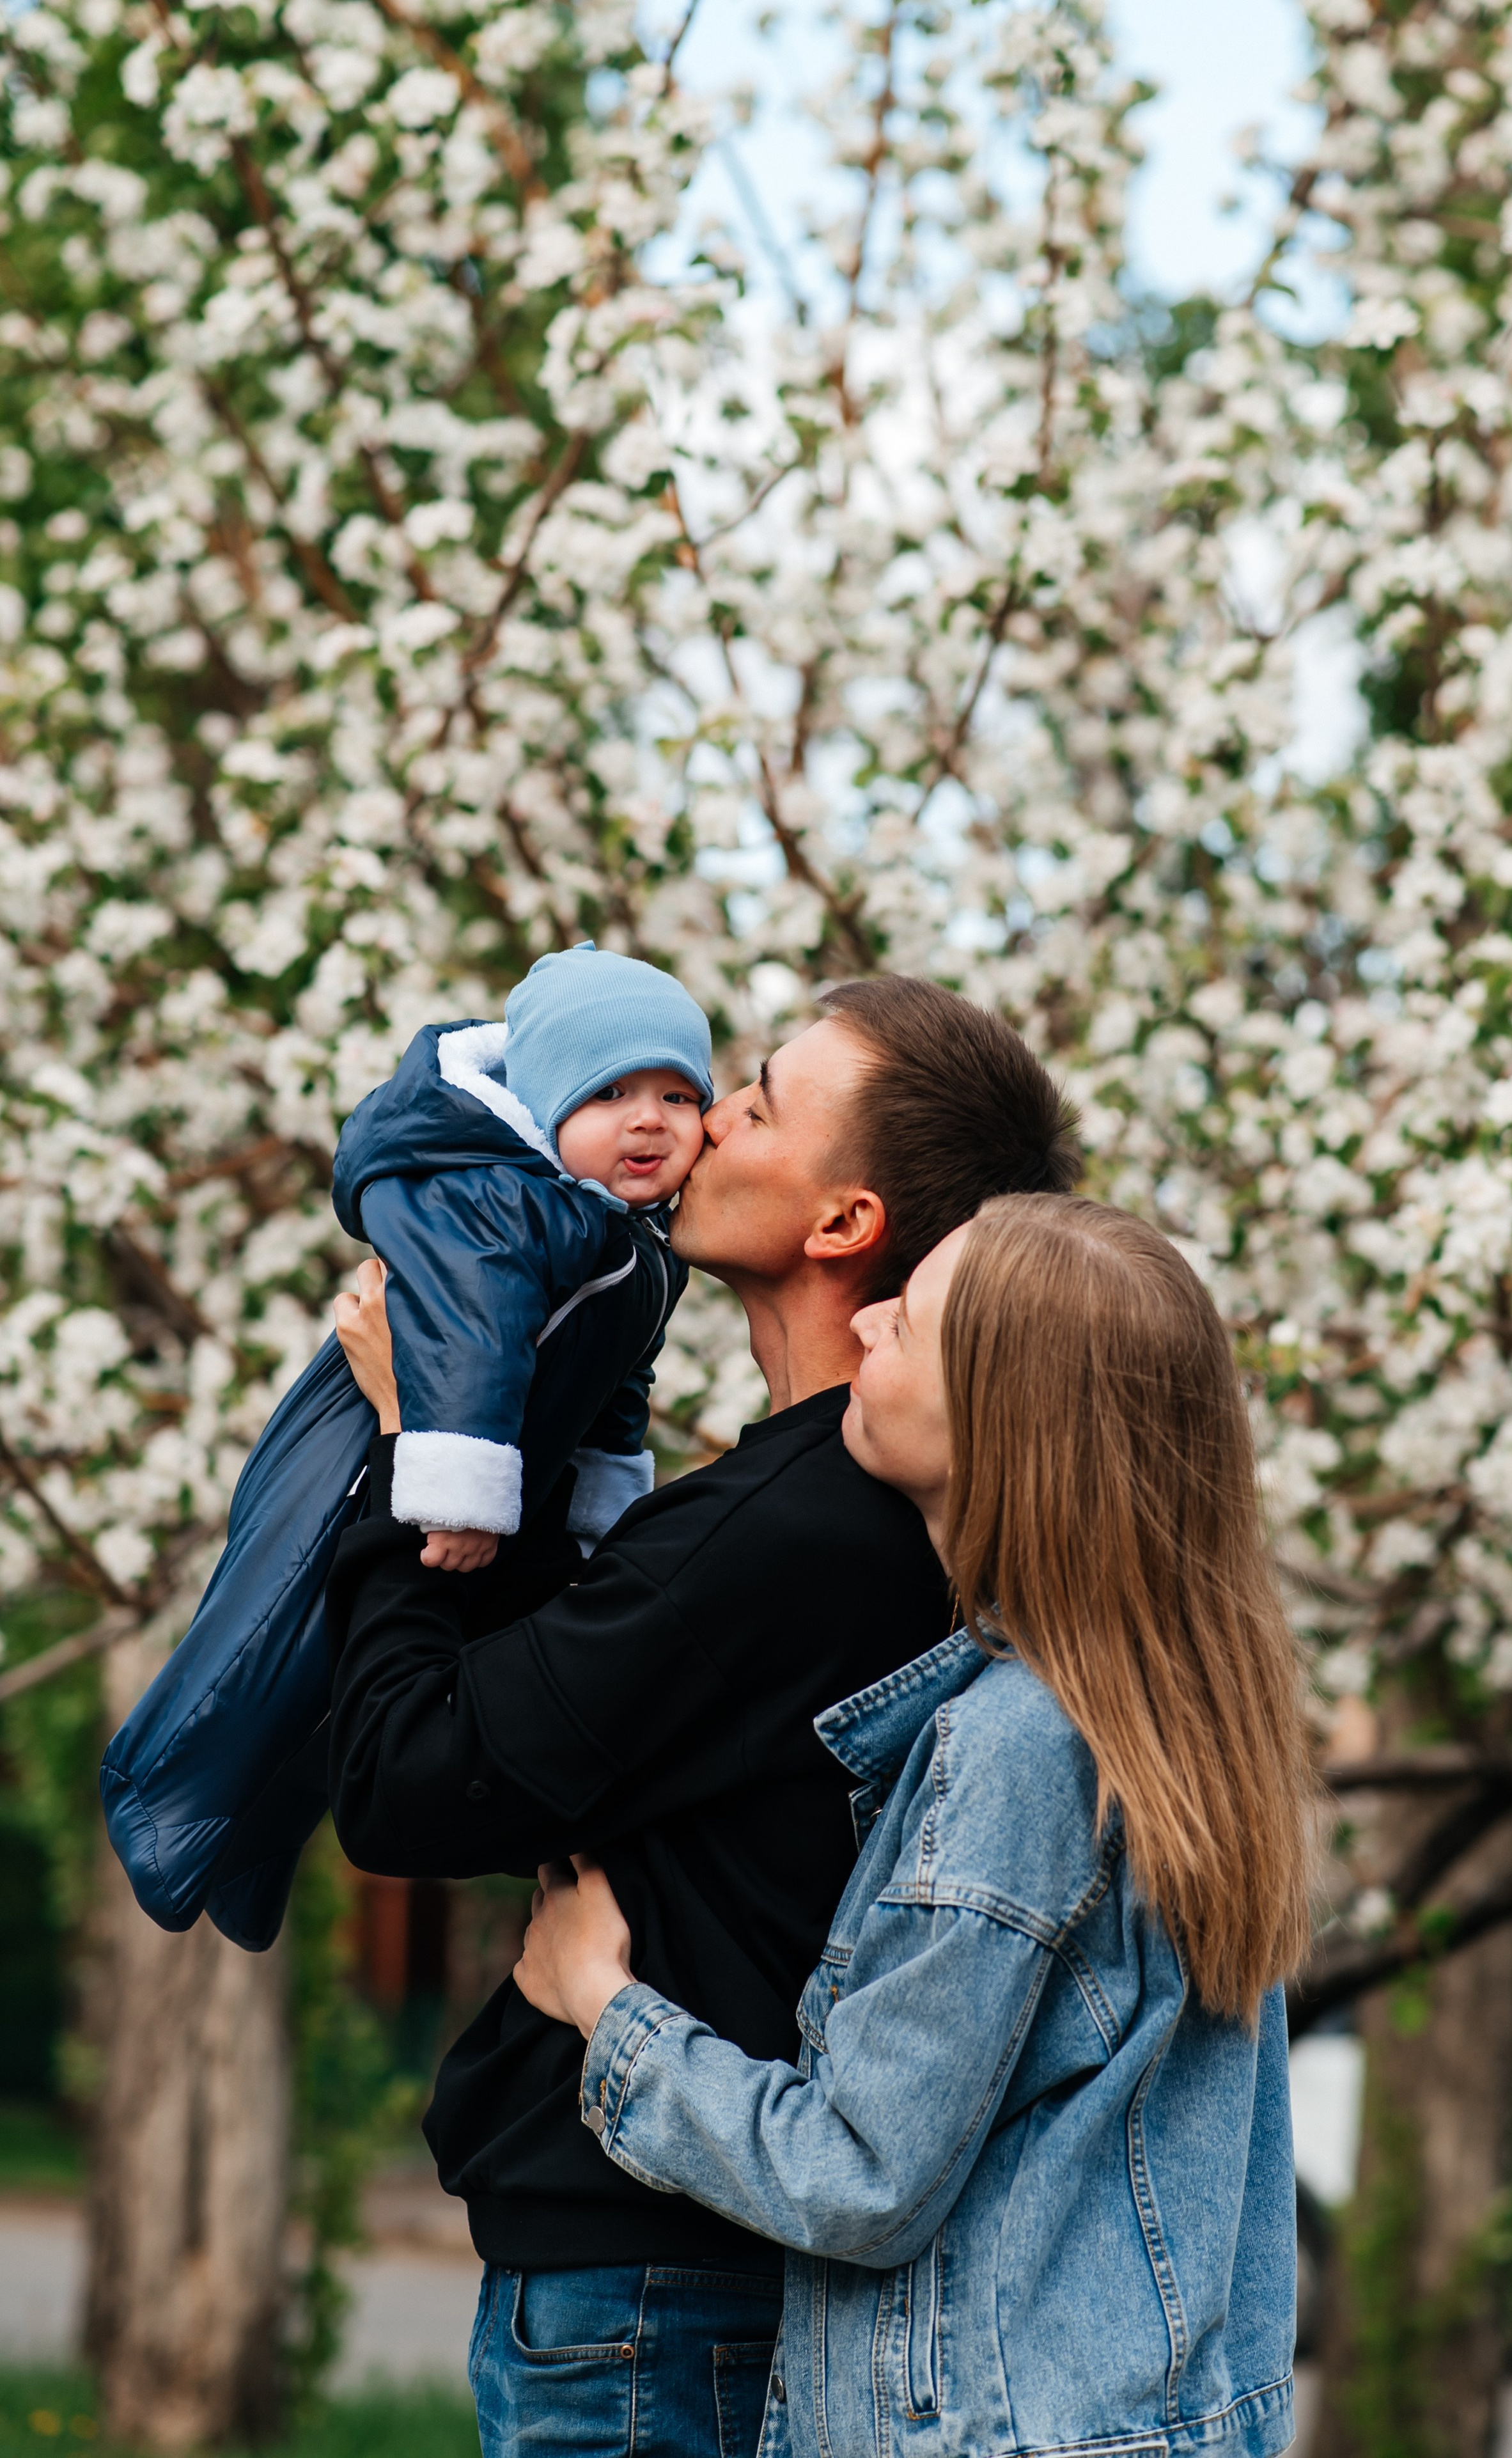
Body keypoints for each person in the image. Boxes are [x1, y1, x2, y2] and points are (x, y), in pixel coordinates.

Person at [323, 976, 1081, 2458]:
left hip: (641, 2289)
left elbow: (409, 1779)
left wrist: (415, 1457)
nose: (696, 1116)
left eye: (757, 1099)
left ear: (842, 1222)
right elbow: (560, 1726)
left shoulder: (786, 1529)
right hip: (681, 2258)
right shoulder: (852, 1509)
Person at [515, 1193, 1313, 2458]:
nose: (868, 1314)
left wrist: (604, 2005)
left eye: (913, 1318)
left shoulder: (1016, 1747)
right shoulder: (1175, 1719)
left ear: (1010, 1421)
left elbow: (861, 2177)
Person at [102, 943, 713, 1952]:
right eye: (610, 1092)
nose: (649, 1119)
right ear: (550, 1103)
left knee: (354, 1686)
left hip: (446, 1461)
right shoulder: (499, 1197)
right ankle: (160, 1801)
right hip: (369, 1449)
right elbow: (467, 1327)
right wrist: (458, 1492)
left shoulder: (634, 1239)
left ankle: (250, 1846)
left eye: (677, 1095)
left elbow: (620, 1384)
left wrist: (606, 1500)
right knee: (278, 1633)